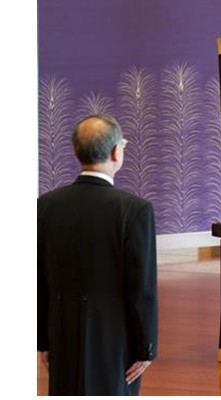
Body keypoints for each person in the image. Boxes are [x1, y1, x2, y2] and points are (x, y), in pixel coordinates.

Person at [38, 115, 158, 395]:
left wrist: (43, 341)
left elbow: (40, 279)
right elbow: (142, 288)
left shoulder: (45, 206)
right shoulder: (135, 210)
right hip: (113, 338)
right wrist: (146, 347)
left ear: (75, 151)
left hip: (62, 331)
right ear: (117, 151)